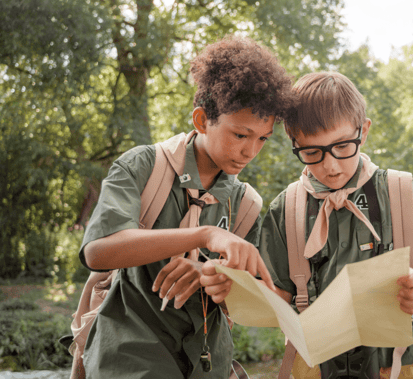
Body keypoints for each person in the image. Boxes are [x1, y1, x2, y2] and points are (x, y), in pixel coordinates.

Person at [78, 36, 296, 379]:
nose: (251, 151)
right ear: (201, 120)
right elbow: (98, 253)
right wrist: (205, 234)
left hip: (210, 365)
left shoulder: (247, 204)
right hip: (129, 358)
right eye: (240, 135)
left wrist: (215, 277)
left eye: (262, 138)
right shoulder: (142, 166)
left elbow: (243, 301)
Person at [255, 71, 413, 378]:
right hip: (315, 365)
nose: (330, 165)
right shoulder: (286, 208)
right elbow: (278, 295)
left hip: (398, 362)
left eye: (342, 146)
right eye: (311, 152)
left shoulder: (397, 192)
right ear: (294, 143)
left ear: (363, 133)